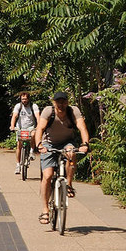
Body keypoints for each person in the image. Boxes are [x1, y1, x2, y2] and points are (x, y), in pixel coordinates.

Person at [33, 91, 91, 224]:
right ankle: (45, 210)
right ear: (53, 103)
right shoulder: (48, 111)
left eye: (63, 101)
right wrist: (39, 145)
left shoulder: (73, 111)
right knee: (47, 176)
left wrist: (85, 144)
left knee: (72, 153)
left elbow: (82, 127)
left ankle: (69, 185)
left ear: (67, 102)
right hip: (49, 144)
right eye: (58, 101)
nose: (61, 104)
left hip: (66, 143)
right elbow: (40, 129)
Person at [9, 91, 39, 174]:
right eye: (22, 99)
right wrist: (12, 126)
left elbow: (37, 117)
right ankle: (18, 165)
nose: (24, 100)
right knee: (19, 144)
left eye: (25, 99)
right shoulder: (18, 106)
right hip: (20, 128)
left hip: (30, 127)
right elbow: (14, 116)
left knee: (33, 134)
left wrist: (38, 126)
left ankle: (32, 151)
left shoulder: (34, 106)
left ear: (28, 99)